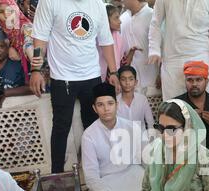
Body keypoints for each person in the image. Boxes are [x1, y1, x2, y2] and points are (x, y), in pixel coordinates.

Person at [30, 0, 120, 173]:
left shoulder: (98, 5)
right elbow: (40, 37)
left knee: (94, 125)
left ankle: (99, 170)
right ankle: (57, 175)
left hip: (92, 75)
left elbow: (105, 41)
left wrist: (113, 72)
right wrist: (36, 70)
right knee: (61, 127)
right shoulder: (50, 2)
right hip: (62, 77)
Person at [81, 83, 145, 191]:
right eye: (100, 105)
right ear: (94, 108)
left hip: (132, 173)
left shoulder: (132, 127)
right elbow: (91, 173)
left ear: (117, 105)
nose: (106, 109)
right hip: (107, 180)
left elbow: (146, 158)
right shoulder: (89, 135)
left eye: (110, 103)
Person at [148, 0, 209, 100]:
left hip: (201, 61)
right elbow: (155, 23)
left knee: (203, 110)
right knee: (173, 109)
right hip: (172, 63)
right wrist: (154, 49)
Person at [120, 0, 159, 95]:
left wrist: (161, 75)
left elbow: (163, 46)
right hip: (128, 83)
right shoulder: (122, 18)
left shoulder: (152, 15)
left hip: (151, 80)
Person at [0, 0, 34, 80]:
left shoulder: (26, 27)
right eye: (1, 12)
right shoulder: (3, 31)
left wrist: (34, 63)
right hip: (20, 76)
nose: (6, 15)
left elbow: (28, 43)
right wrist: (9, 48)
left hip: (37, 74)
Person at [117, 65, 154, 131]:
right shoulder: (115, 101)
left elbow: (150, 123)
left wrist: (151, 140)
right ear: (119, 82)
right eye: (123, 79)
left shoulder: (142, 99)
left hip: (141, 139)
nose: (127, 83)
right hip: (122, 139)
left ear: (135, 82)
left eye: (131, 79)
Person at [98, 4, 128, 83]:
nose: (120, 21)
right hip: (96, 76)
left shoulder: (118, 38)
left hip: (114, 76)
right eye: (116, 18)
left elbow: (122, 60)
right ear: (106, 20)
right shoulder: (96, 39)